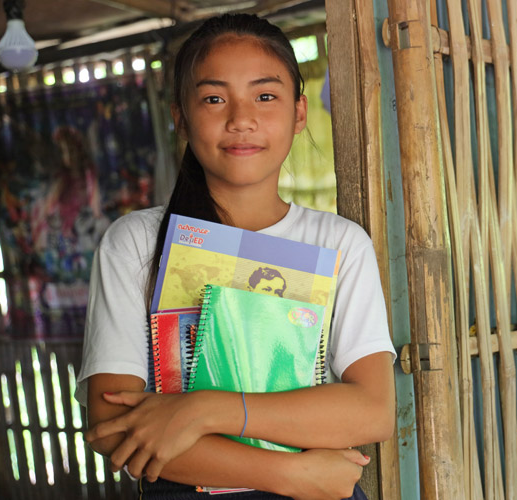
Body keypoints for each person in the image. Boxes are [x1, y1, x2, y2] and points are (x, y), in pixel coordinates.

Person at [76, 13, 396, 499]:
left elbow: (372, 412)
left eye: (265, 96)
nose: (241, 118)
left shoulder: (338, 244)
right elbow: (115, 428)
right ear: (180, 116)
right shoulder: (138, 242)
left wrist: (205, 410)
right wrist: (290, 474)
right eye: (213, 98)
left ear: (299, 112)